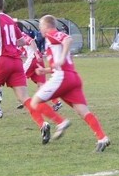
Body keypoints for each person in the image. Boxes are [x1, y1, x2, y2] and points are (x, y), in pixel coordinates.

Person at [0, 0, 62, 146]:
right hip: (16, 61)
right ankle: (42, 124)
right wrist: (10, 43)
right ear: (3, 6)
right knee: (24, 98)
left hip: (1, 59)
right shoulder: (10, 20)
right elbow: (22, 40)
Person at [31, 15, 111, 152]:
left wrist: (61, 59)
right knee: (83, 111)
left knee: (34, 102)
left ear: (46, 26)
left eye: (40, 26)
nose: (40, 30)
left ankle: (60, 122)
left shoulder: (51, 34)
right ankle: (102, 137)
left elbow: (67, 39)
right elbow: (61, 62)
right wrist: (46, 70)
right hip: (72, 77)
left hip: (63, 78)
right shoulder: (50, 40)